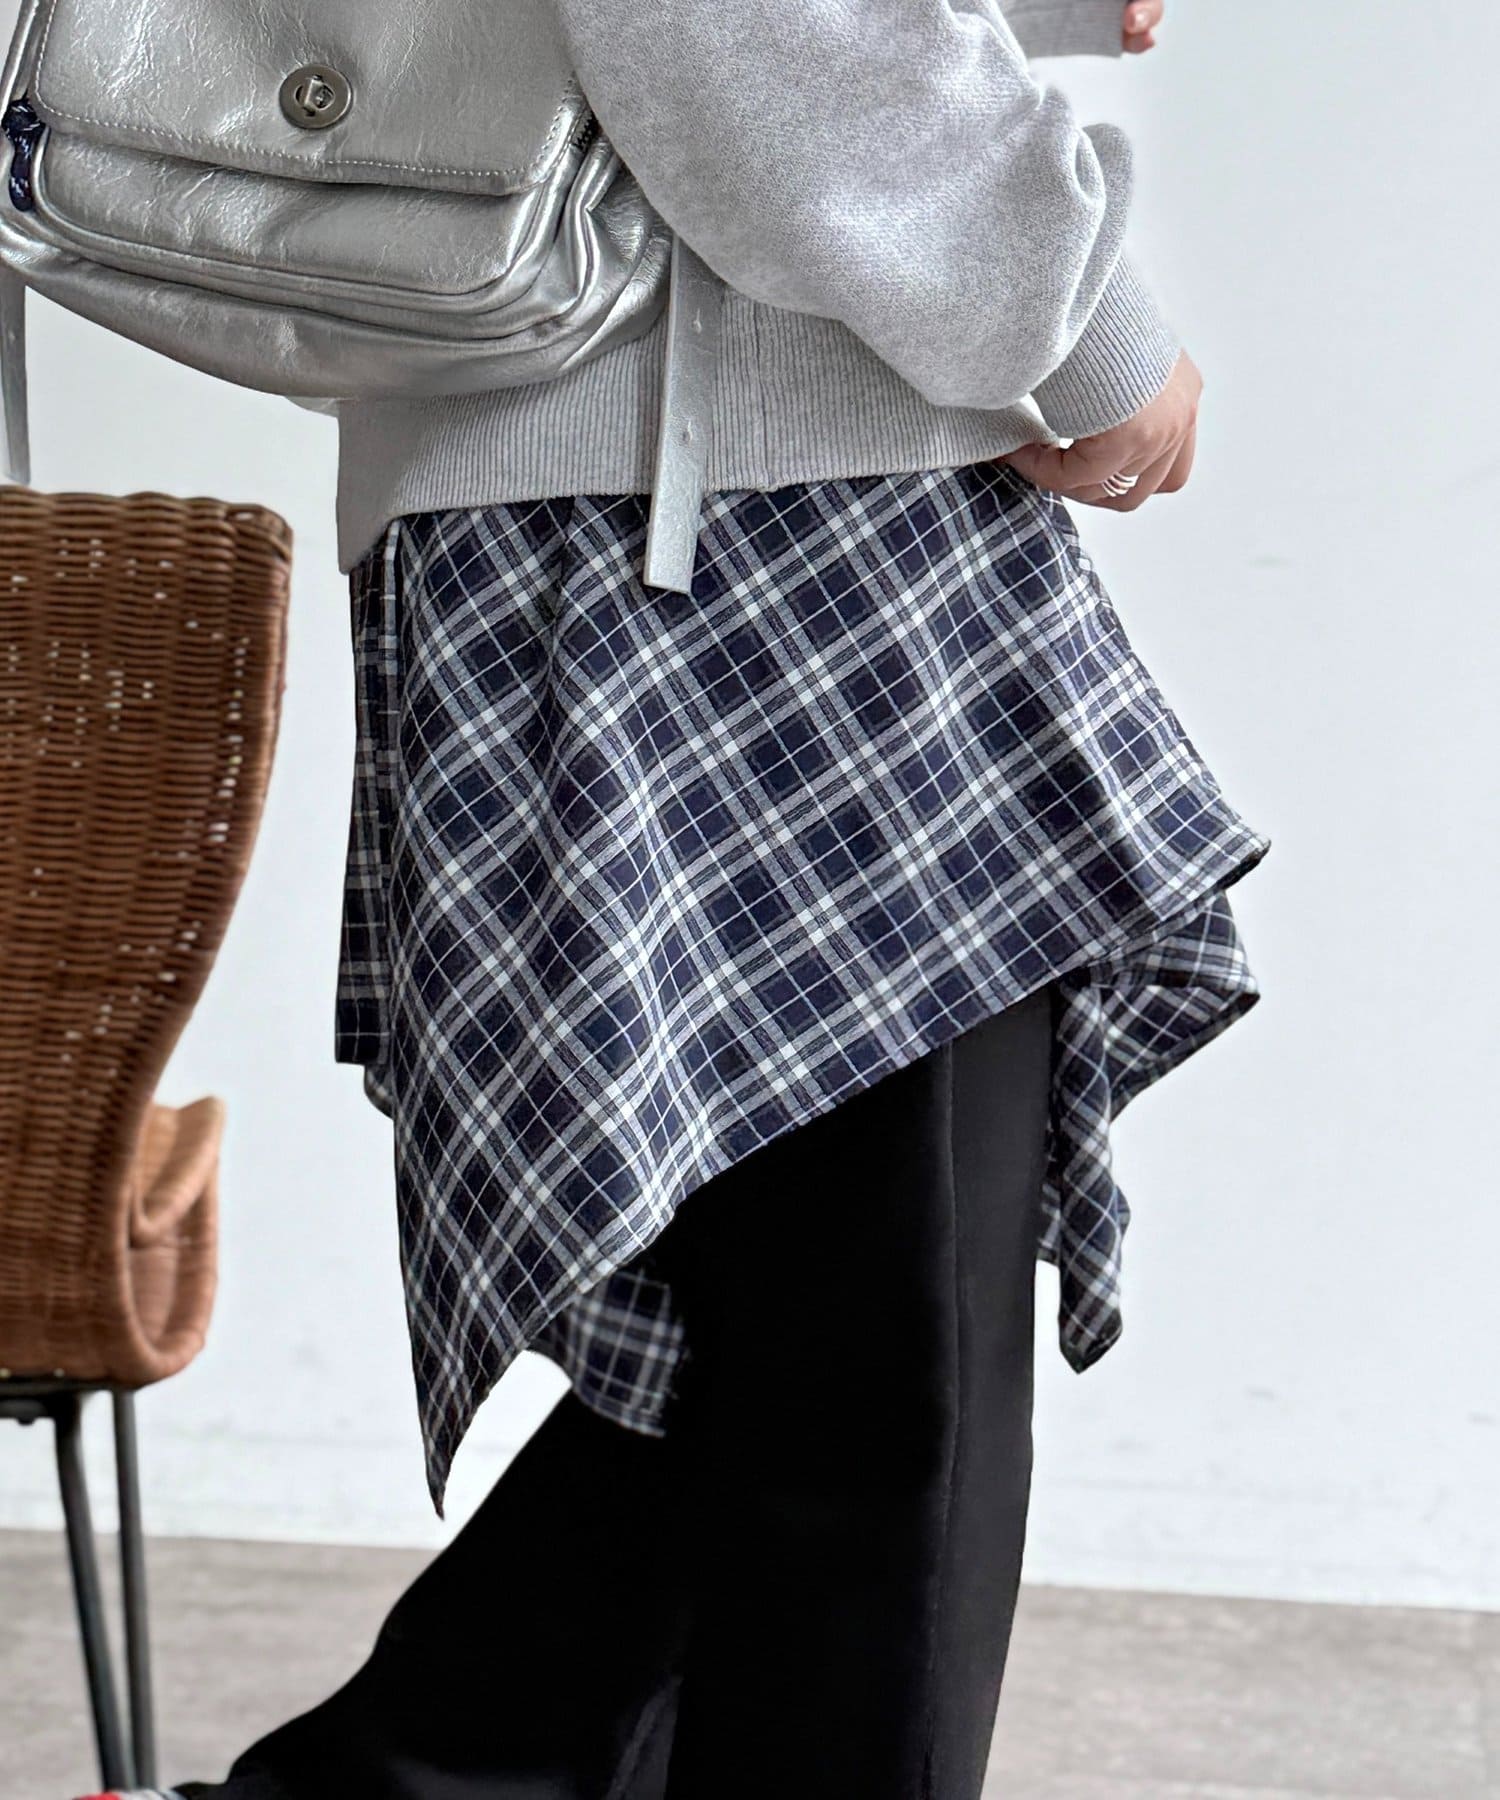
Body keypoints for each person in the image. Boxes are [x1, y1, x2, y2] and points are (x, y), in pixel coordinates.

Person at [78, 1, 1272, 1795]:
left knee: (771, 1364)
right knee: (877, 1395)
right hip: (728, 523)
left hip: (631, 495)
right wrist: (1082, 317)